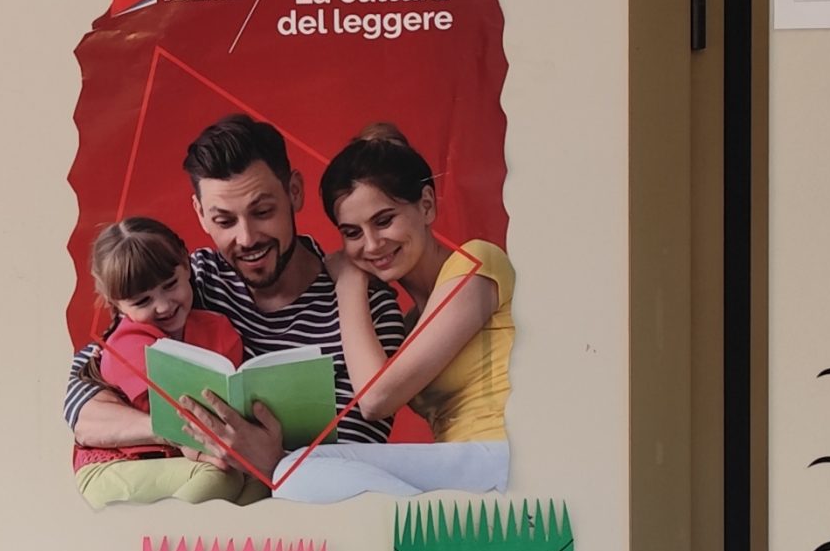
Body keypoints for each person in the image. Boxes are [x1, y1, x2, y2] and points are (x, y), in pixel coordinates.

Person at [63, 114, 407, 495]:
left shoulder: (367, 308)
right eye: (224, 221)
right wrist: (181, 428)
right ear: (200, 214)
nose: (246, 238)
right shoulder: (192, 281)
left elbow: (358, 470)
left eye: (262, 212)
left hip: (300, 520)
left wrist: (272, 462)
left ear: (294, 192)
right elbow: (82, 403)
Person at [307, 121, 514, 496]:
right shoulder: (411, 323)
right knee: (310, 479)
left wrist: (349, 284)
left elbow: (375, 399)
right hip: (463, 478)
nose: (372, 245)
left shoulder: (477, 263)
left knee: (305, 469)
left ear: (427, 205)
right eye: (352, 232)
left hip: (509, 456)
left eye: (384, 220)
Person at [71, 218, 261, 507]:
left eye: (170, 285)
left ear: (186, 265)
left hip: (184, 458)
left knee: (261, 480)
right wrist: (203, 450)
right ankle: (165, 534)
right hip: (115, 464)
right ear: (116, 304)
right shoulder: (127, 343)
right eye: (142, 301)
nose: (163, 306)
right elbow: (173, 418)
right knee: (219, 476)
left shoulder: (217, 329)